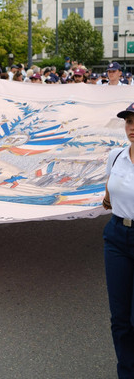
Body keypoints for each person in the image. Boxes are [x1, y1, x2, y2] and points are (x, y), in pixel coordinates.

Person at [102, 102, 134, 378]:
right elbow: (108, 196)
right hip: (117, 238)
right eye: (129, 122)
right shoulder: (115, 156)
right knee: (120, 319)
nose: (132, 128)